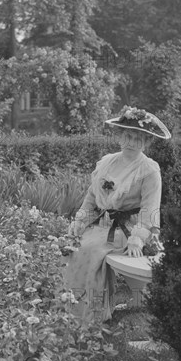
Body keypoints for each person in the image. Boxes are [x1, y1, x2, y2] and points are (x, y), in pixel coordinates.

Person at [64, 106, 171, 325]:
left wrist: (138, 238)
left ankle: (93, 314)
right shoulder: (108, 162)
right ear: (120, 137)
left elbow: (150, 209)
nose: (132, 143)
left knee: (91, 252)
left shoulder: (149, 170)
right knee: (71, 247)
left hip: (128, 230)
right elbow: (92, 197)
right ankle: (68, 309)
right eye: (128, 136)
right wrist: (80, 219)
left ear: (146, 142)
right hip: (102, 226)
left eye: (138, 139)